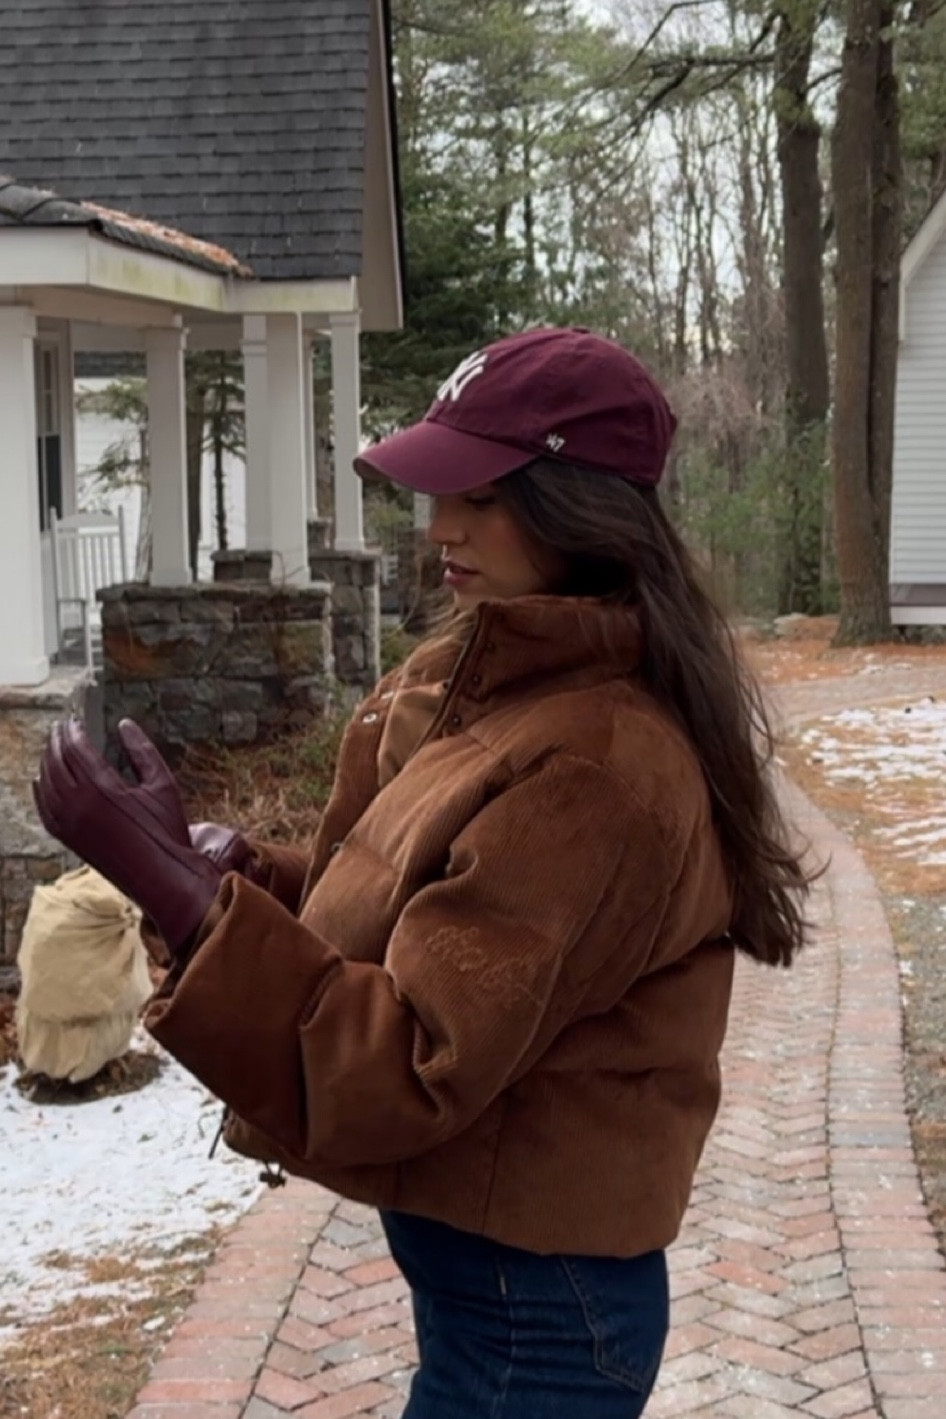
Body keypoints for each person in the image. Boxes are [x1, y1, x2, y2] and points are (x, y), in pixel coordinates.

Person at [35, 326, 811, 1418]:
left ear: (578, 508)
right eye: (443, 493)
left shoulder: (593, 764)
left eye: (481, 498)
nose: (440, 527)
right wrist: (247, 877)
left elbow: (413, 1054)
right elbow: (427, 909)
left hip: (535, 1317)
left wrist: (185, 902)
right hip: (497, 1283)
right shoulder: (505, 677)